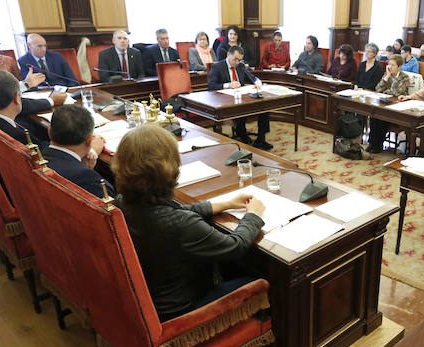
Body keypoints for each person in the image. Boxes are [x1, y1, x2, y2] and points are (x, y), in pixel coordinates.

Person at [112, 124, 265, 322]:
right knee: (257, 279)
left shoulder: (123, 201)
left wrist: (224, 204)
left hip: (148, 299)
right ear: (170, 166)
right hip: (181, 311)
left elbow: (173, 211)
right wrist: (253, 216)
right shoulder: (181, 225)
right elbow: (235, 246)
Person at [208, 46, 271, 149]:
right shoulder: (217, 67)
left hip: (241, 98)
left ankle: (261, 139)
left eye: (239, 60)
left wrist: (257, 82)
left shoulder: (240, 66)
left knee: (264, 107)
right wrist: (228, 85)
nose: (237, 62)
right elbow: (211, 86)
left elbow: (252, 78)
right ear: (228, 55)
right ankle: (242, 132)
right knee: (241, 109)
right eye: (235, 59)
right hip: (225, 101)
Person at [43, 104, 111, 198]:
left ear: (49, 133)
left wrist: (82, 166)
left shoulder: (36, 157)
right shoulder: (90, 181)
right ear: (89, 141)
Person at [366, 55, 411, 153]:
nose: (390, 67)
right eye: (389, 64)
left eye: (393, 65)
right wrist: (387, 76)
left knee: (382, 118)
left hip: (397, 108)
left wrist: (387, 91)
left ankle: (378, 144)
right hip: (385, 104)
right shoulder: (387, 74)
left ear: (399, 67)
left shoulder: (404, 77)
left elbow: (398, 92)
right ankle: (372, 143)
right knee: (374, 116)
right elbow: (378, 89)